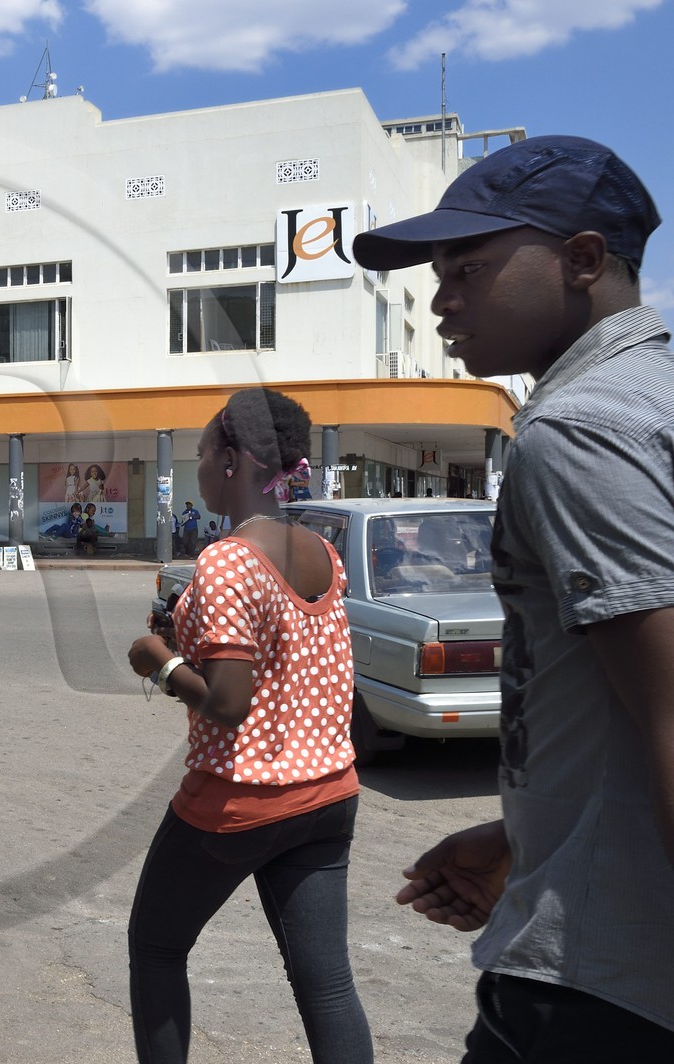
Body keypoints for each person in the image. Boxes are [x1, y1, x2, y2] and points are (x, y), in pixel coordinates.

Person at [354, 135, 674, 1058]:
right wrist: (526, 835)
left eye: (470, 267)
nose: (440, 297)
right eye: (436, 272)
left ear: (581, 259)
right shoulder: (649, 402)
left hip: (600, 990)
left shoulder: (580, 431)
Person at [127, 387, 372, 1064]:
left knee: (155, 947)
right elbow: (284, 660)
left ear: (231, 460)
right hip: (328, 794)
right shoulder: (321, 551)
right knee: (327, 986)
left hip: (240, 802)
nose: (199, 465)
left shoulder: (228, 559)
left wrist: (158, 660)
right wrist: (181, 634)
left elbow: (230, 702)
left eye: (202, 452)